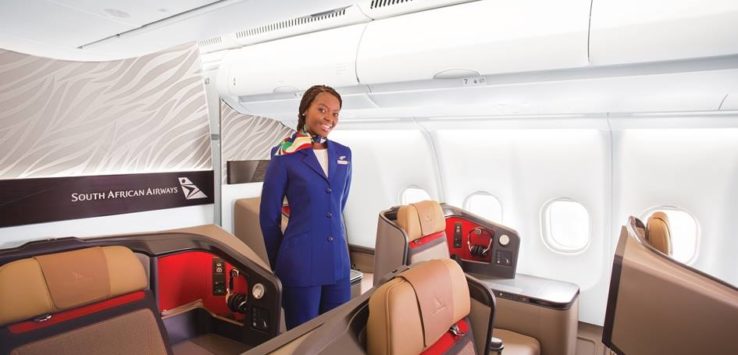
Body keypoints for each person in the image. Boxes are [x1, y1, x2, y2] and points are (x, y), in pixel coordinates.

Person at [259, 85, 352, 329]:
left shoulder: (344, 154)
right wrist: (280, 262)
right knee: (303, 340)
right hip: (300, 265)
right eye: (322, 109)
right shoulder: (284, 154)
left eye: (335, 113)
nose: (329, 118)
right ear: (304, 111)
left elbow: (338, 204)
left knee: (337, 334)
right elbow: (268, 216)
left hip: (338, 264)